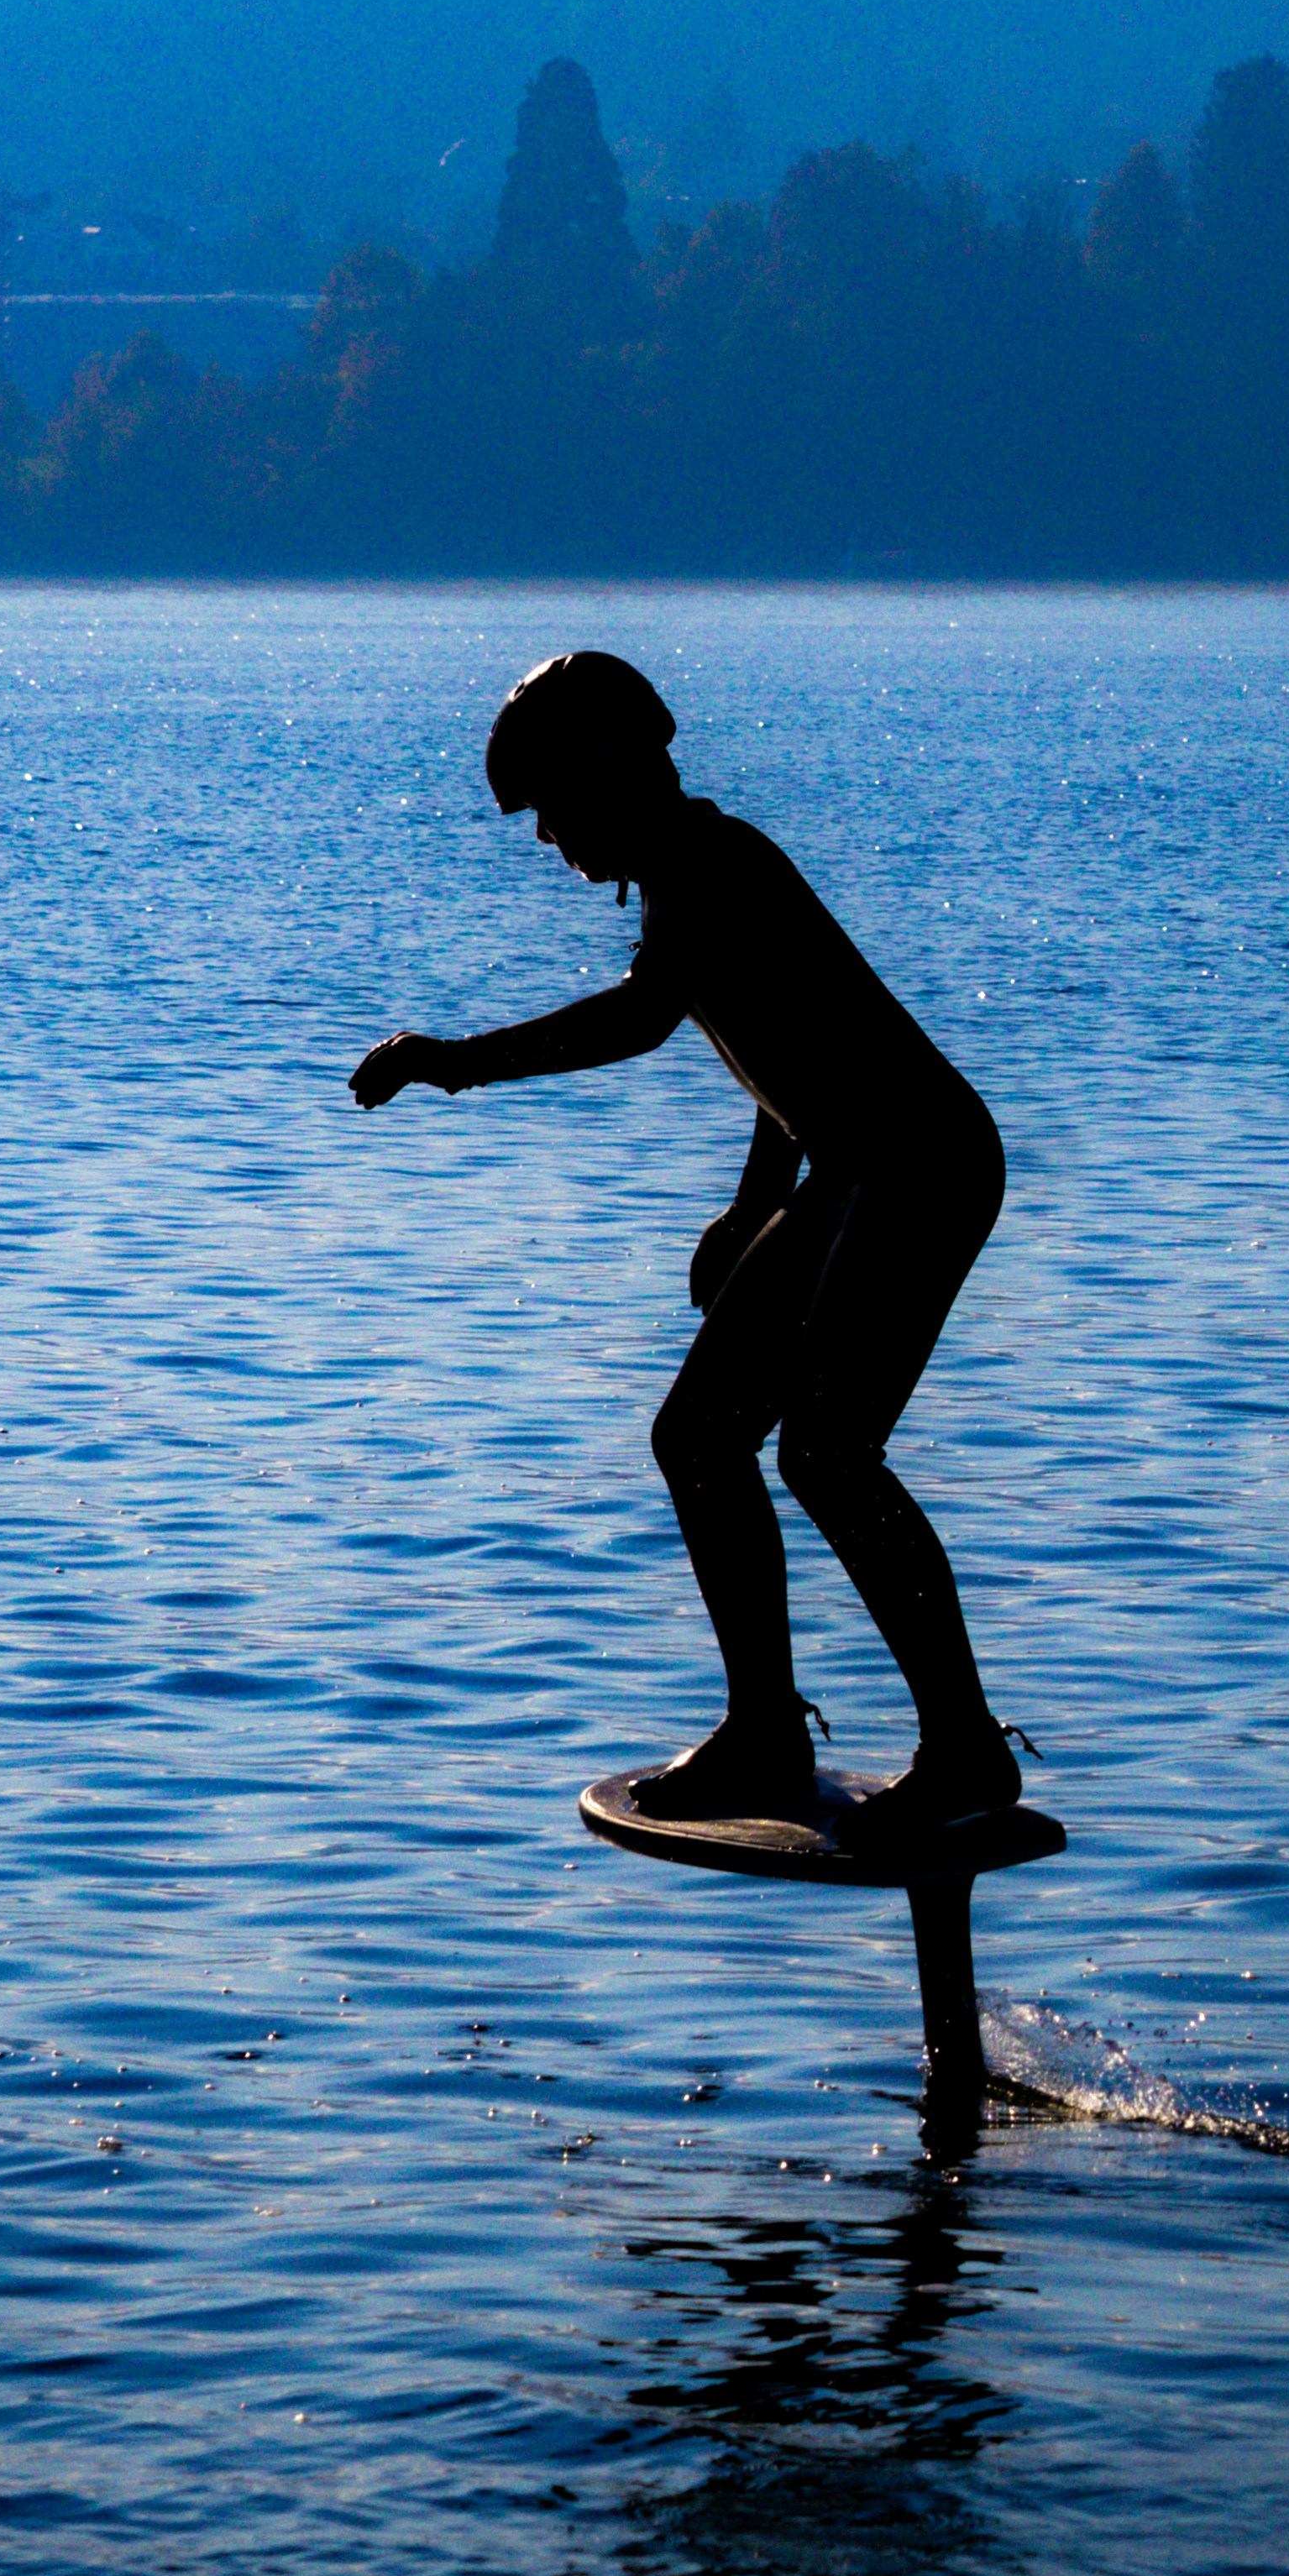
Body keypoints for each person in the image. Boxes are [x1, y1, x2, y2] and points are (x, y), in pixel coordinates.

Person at [351, 648, 1020, 1845]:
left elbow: (643, 1018)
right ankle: (762, 1725)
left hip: (918, 1165)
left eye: (554, 807)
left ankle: (963, 1746)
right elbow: (790, 1046)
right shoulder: (681, 874)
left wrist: (448, 1060)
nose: (550, 838)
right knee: (699, 1436)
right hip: (850, 1167)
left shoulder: (712, 863)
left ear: (614, 768)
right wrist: (752, 1203)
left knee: (826, 1454)